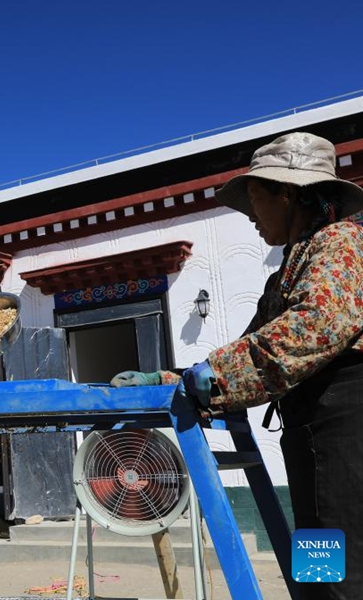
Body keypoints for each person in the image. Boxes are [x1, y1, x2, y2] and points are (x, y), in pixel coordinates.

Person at [111, 132, 363, 599]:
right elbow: (248, 348)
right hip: (310, 436)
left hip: (347, 430)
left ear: (288, 194)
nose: (250, 219)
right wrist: (168, 379)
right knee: (318, 568)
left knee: (346, 577)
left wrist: (217, 378)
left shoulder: (342, 243)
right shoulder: (286, 273)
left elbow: (318, 325)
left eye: (254, 202)